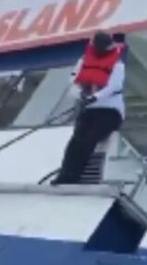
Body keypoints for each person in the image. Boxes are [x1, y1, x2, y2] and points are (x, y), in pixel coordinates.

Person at [54, 30, 126, 185]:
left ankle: (75, 178)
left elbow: (114, 86)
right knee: (75, 141)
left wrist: (95, 97)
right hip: (89, 109)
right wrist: (80, 94)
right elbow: (73, 79)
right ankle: (64, 175)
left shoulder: (118, 65)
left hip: (110, 111)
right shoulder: (84, 61)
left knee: (90, 139)